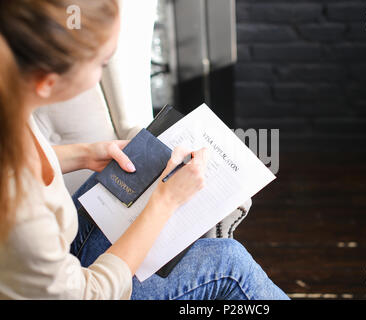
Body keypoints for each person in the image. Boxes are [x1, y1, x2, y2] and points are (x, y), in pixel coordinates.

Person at [0, 0, 289, 300]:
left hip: (52, 258)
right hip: (81, 287)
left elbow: (17, 161)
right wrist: (166, 200)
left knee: (127, 188)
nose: (101, 76)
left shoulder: (11, 101)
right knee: (230, 264)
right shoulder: (23, 215)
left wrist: (83, 154)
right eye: (101, 63)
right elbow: (88, 295)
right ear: (48, 82)